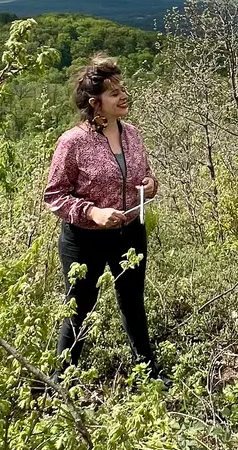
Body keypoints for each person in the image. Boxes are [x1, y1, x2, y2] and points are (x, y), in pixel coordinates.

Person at [43, 56, 161, 378]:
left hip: (130, 232)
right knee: (78, 310)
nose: (124, 96)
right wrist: (92, 212)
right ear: (95, 103)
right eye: (114, 93)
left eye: (122, 89)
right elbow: (54, 195)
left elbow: (145, 175)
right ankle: (62, 383)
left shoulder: (133, 134)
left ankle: (148, 374)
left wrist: (150, 185)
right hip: (84, 240)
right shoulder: (73, 142)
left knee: (133, 304)